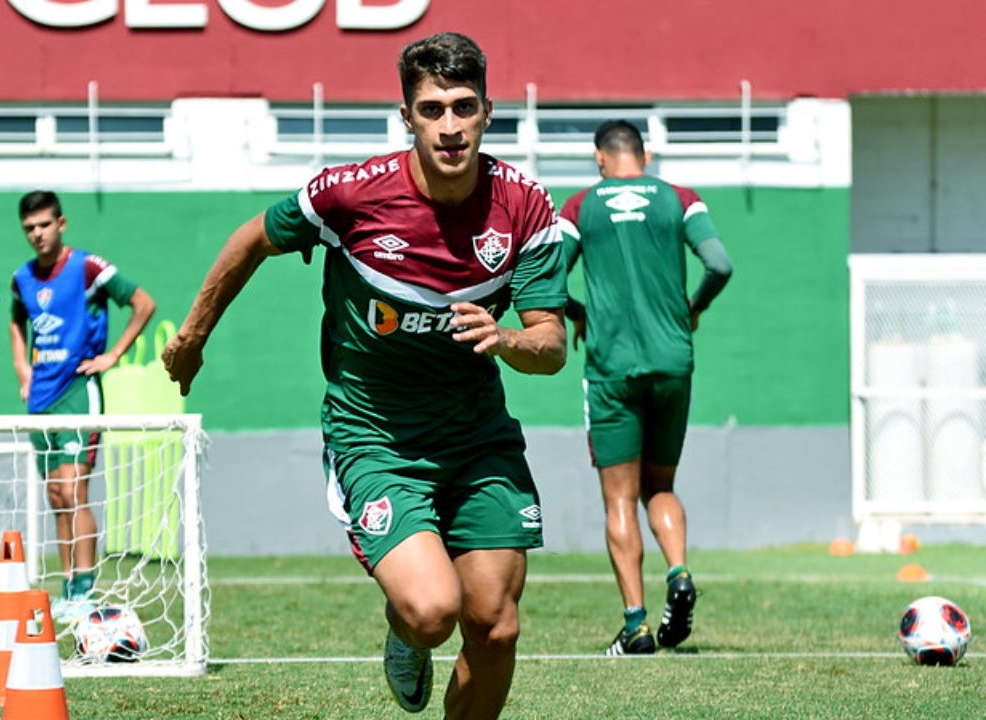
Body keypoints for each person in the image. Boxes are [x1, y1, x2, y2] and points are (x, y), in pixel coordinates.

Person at [163, 32, 567, 720]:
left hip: (477, 440)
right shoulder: (349, 195)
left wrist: (505, 339)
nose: (449, 126)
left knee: (496, 625)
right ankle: (404, 634)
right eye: (432, 109)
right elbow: (251, 239)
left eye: (463, 107)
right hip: (376, 437)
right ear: (406, 117)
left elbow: (551, 344)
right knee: (433, 610)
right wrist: (193, 338)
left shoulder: (523, 207)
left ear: (487, 112)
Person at [556, 119, 733, 656]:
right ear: (646, 156)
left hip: (612, 369)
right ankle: (678, 573)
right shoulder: (681, 198)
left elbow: (545, 278)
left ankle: (635, 626)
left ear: (599, 158)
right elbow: (720, 264)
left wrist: (577, 313)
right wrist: (693, 307)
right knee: (661, 486)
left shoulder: (578, 207)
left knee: (619, 499)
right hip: (673, 362)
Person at [8, 190, 157, 622]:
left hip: (79, 393)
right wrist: (22, 369)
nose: (37, 234)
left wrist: (113, 355)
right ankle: (68, 587)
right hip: (41, 400)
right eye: (29, 228)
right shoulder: (22, 277)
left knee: (75, 491)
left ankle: (85, 590)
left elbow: (143, 302)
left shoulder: (87, 267)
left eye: (44, 225)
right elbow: (17, 322)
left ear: (61, 224)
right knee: (56, 495)